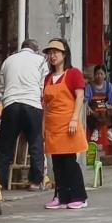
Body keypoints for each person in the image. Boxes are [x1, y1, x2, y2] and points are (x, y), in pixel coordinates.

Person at [40, 39, 90, 211]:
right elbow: (45, 105)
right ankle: (60, 196)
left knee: (69, 162)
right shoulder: (48, 78)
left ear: (64, 54)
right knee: (57, 163)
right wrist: (43, 126)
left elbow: (80, 97)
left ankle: (79, 196)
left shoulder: (73, 73)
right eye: (50, 52)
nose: (52, 56)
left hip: (69, 124)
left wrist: (75, 119)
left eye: (56, 52)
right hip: (53, 126)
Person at [0, 39, 47, 190]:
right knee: (35, 142)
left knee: (5, 145)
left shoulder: (7, 61)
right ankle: (35, 181)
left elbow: (2, 87)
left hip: (11, 104)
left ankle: (0, 181)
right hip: (32, 104)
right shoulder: (41, 61)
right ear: (36, 49)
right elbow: (43, 85)